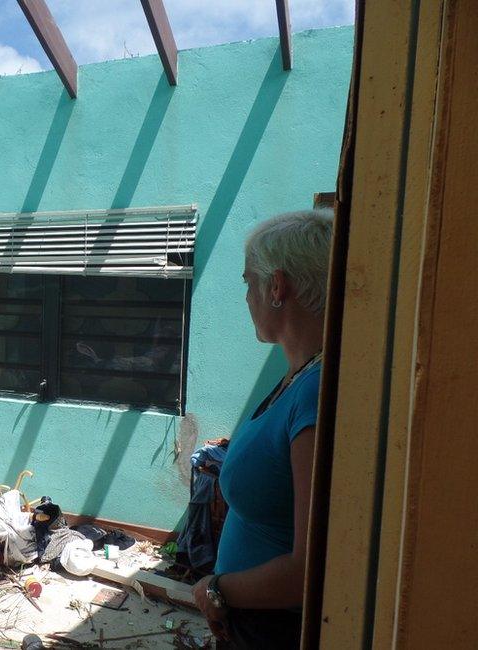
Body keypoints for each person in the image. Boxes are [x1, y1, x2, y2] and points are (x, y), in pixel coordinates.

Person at [192, 210, 334, 648]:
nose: (246, 296)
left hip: (274, 630)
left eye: (248, 283)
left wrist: (216, 589)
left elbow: (308, 568)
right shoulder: (299, 376)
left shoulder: (315, 392)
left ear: (277, 287)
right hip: (253, 622)